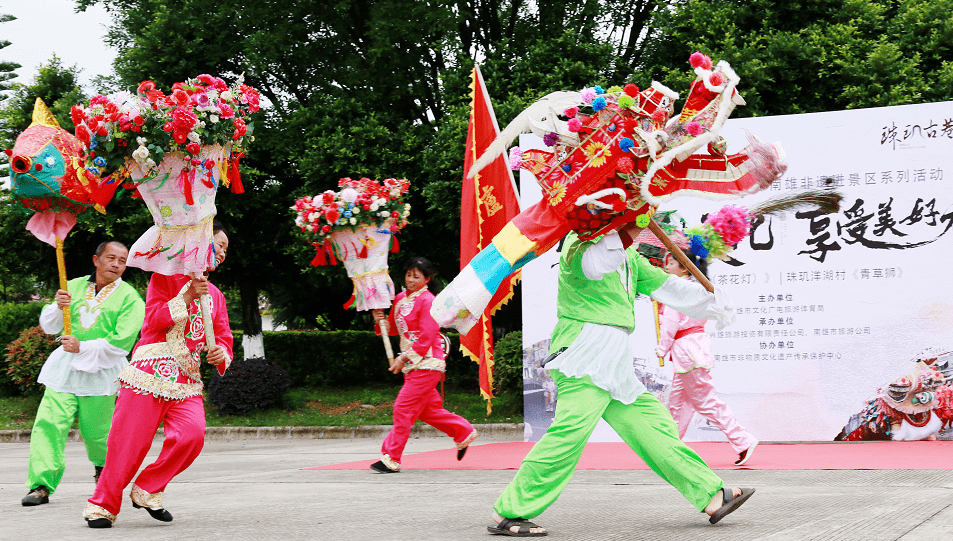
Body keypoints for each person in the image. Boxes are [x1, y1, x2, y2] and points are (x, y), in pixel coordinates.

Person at [488, 224, 754, 537]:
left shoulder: (629, 256)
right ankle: (510, 511)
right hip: (584, 356)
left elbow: (670, 288)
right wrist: (628, 228)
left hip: (614, 362)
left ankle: (710, 494)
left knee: (654, 426)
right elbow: (598, 262)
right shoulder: (580, 242)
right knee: (569, 435)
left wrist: (713, 300)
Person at [83, 226, 233, 528]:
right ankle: (102, 506)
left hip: (187, 381)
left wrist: (222, 354)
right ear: (200, 242)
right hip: (147, 374)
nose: (221, 252)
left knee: (192, 436)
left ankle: (147, 488)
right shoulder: (164, 276)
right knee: (127, 445)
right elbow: (152, 320)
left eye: (225, 249)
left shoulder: (216, 296)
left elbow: (223, 337)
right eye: (218, 244)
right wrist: (187, 296)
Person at [21, 241, 145, 507]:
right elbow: (50, 327)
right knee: (48, 425)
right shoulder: (72, 285)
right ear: (96, 260)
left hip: (102, 371)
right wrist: (57, 306)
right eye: (111, 258)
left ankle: (104, 474)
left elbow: (122, 342)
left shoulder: (130, 298)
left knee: (98, 432)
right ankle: (40, 485)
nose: (116, 264)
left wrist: (83, 347)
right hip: (65, 370)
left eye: (122, 261)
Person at [370, 256, 478, 473]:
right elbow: (392, 329)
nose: (410, 279)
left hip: (428, 363)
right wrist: (379, 319)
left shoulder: (429, 301)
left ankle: (391, 457)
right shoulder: (400, 299)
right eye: (408, 275)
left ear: (427, 279)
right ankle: (463, 431)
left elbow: (427, 337)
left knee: (403, 408)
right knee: (428, 411)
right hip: (413, 364)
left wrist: (402, 358)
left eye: (416, 276)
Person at [656, 249, 758, 466]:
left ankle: (742, 439)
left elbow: (671, 324)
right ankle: (671, 449)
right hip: (692, 350)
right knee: (678, 403)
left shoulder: (679, 290)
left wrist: (662, 348)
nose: (666, 266)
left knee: (705, 401)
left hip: (688, 352)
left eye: (671, 263)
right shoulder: (695, 288)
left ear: (684, 267)